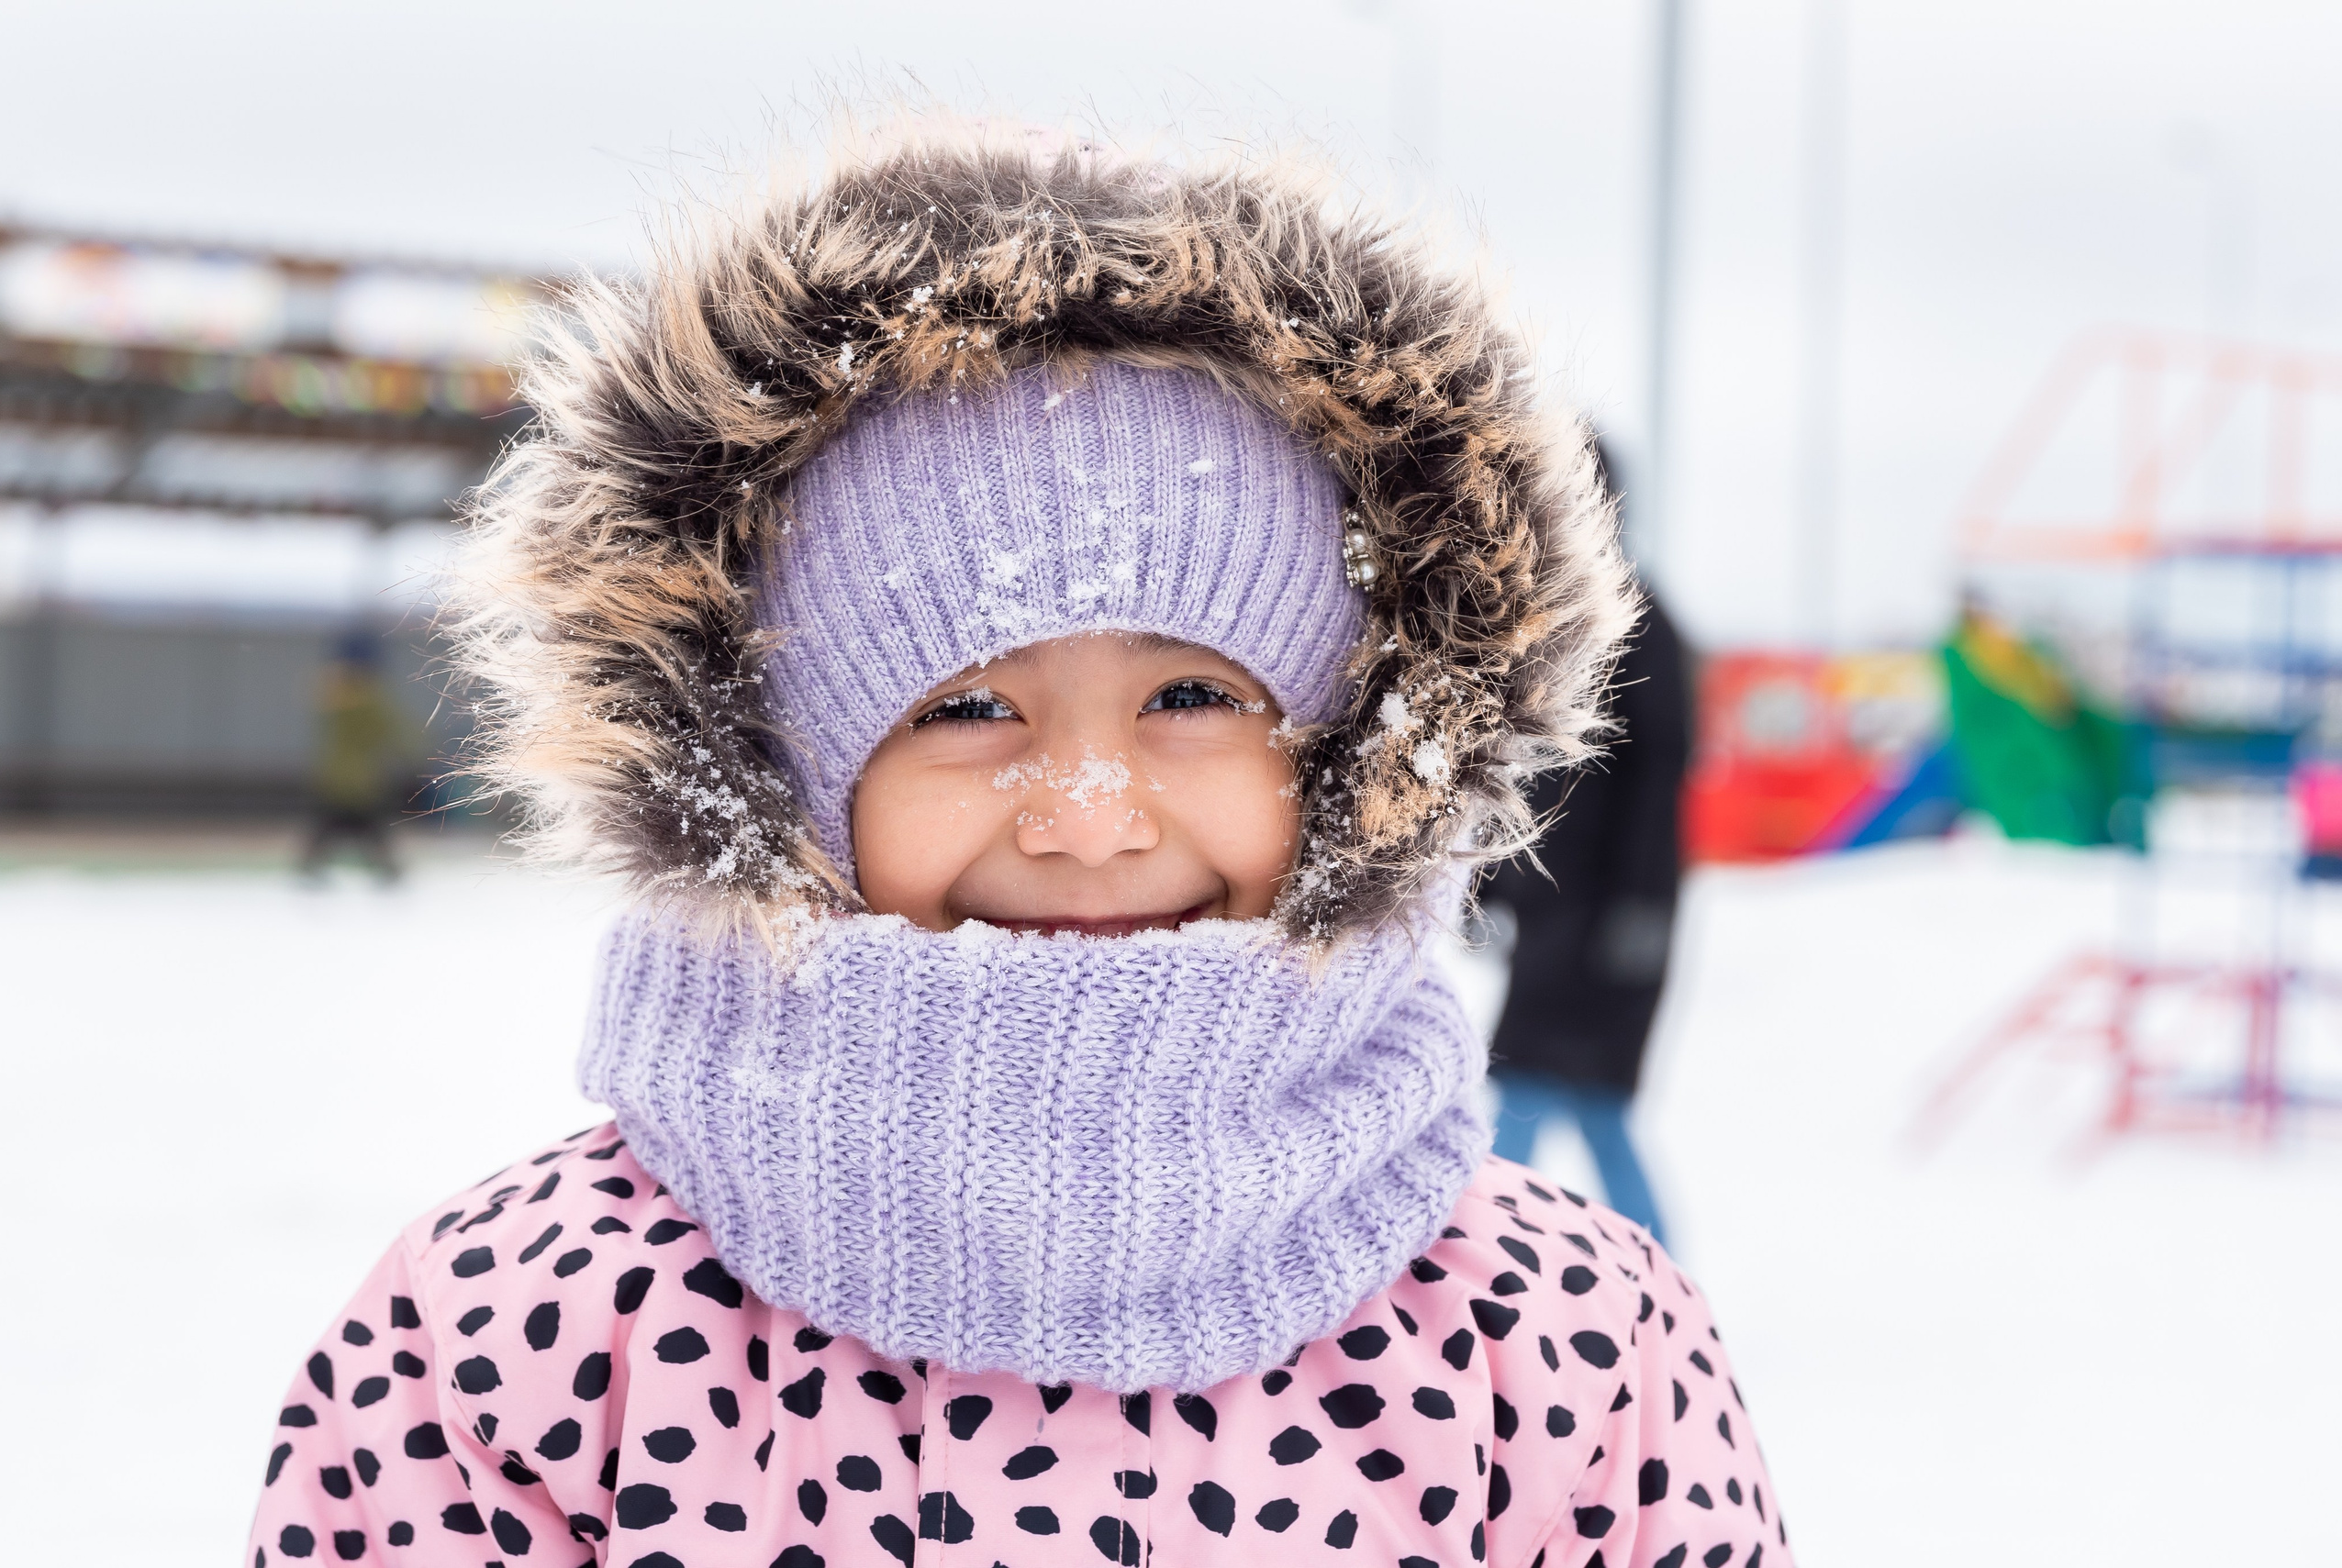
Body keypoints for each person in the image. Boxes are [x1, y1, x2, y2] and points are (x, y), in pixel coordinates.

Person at [249, 117, 1790, 1568]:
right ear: (779, 768)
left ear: (1351, 758)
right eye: (967, 703)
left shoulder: (1565, 1344)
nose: (1089, 810)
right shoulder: (523, 1336)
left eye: (1195, 693)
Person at [1482, 539, 1690, 1243]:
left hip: (1607, 922)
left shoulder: (1639, 626)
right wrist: (1488, 885)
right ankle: (1659, 1272)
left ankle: (1491, 1260)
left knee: (1560, 1099)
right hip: (1558, 914)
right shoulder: (1550, 620)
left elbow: (1656, 786)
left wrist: (1641, 908)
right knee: (1555, 1098)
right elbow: (1521, 772)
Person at [298, 632, 421, 884]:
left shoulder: (332, 693)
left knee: (333, 824)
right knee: (366, 824)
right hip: (362, 777)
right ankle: (387, 869)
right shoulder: (370, 698)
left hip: (333, 774)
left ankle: (313, 866)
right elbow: (392, 731)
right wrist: (416, 757)